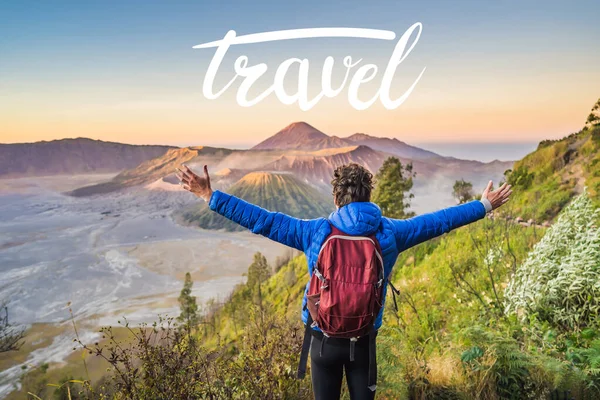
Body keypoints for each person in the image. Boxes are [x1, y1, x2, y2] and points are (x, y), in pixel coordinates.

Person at [176, 163, 512, 400]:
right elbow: (438, 222)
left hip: (322, 342)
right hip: (364, 341)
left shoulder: (315, 232)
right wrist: (484, 205)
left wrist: (210, 195)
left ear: (336, 198)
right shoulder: (390, 233)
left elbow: (263, 220)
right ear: (368, 196)